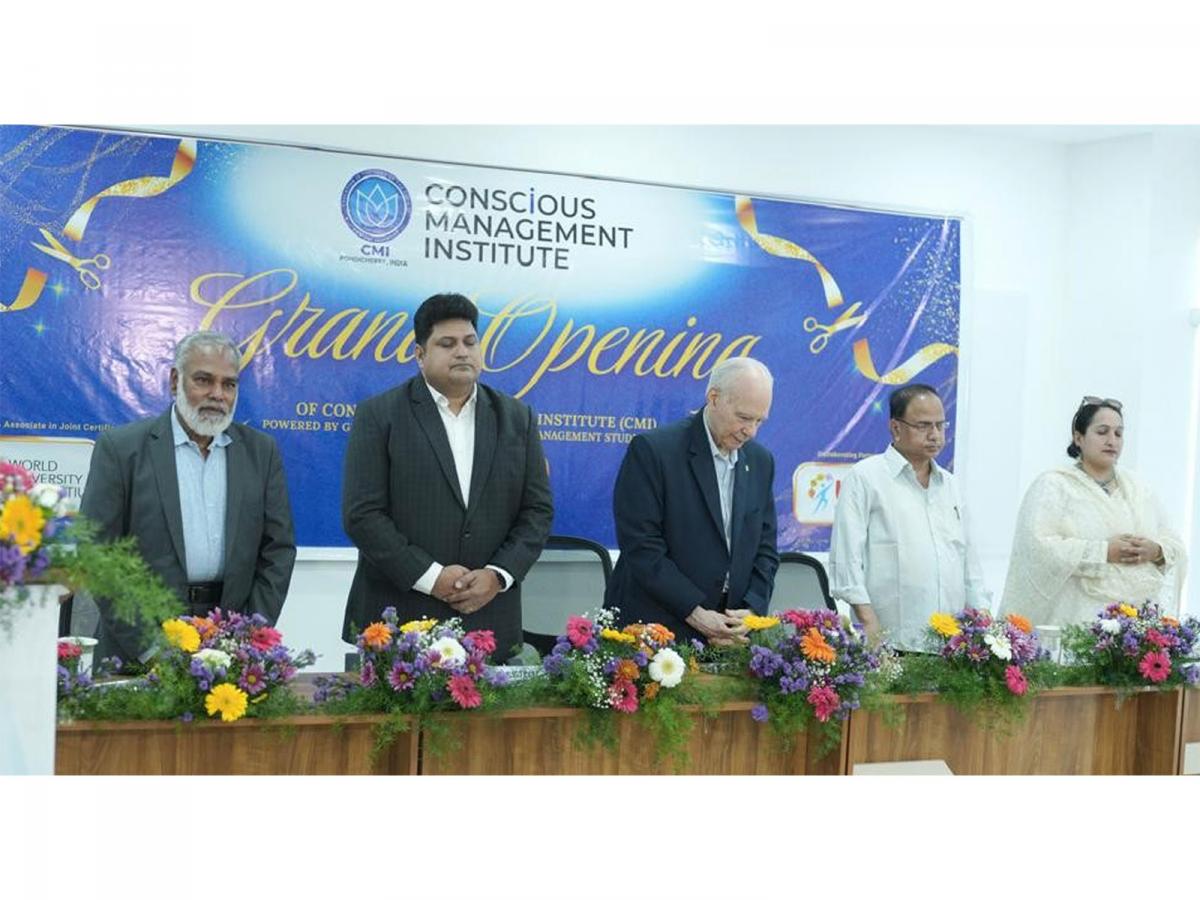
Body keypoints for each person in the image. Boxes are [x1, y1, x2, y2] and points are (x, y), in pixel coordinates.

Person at [341, 293, 553, 661]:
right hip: (400, 616)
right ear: (420, 354)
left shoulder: (517, 418)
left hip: (489, 616)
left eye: (470, 342)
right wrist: (431, 577)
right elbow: (362, 515)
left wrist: (497, 575)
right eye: (447, 343)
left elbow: (537, 511)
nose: (462, 352)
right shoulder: (379, 415)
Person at [80, 330, 296, 663]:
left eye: (229, 384)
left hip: (230, 641)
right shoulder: (122, 449)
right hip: (137, 647)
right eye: (203, 380)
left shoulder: (260, 451)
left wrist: (249, 635)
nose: (217, 394)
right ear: (174, 381)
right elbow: (98, 553)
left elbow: (277, 550)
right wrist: (150, 647)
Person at [604, 357, 779, 644]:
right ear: (714, 398)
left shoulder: (761, 461)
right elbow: (642, 546)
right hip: (658, 628)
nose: (751, 431)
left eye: (760, 421)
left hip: (731, 631)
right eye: (744, 417)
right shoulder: (654, 451)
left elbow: (766, 547)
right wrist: (695, 613)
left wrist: (751, 611)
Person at [828, 383, 988, 651]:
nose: (935, 435)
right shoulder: (866, 478)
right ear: (896, 428)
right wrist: (868, 622)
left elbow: (968, 562)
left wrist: (983, 622)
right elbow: (846, 558)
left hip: (950, 644)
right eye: (923, 426)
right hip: (890, 643)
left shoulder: (950, 485)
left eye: (940, 425)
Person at [1000, 396, 1186, 625]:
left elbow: (1173, 541)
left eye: (1118, 433)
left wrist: (1155, 550)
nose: (1112, 441)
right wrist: (1103, 551)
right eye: (1102, 432)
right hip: (1075, 620)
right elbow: (1038, 548)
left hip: (1134, 624)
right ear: (1078, 438)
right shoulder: (1055, 485)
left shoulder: (1139, 488)